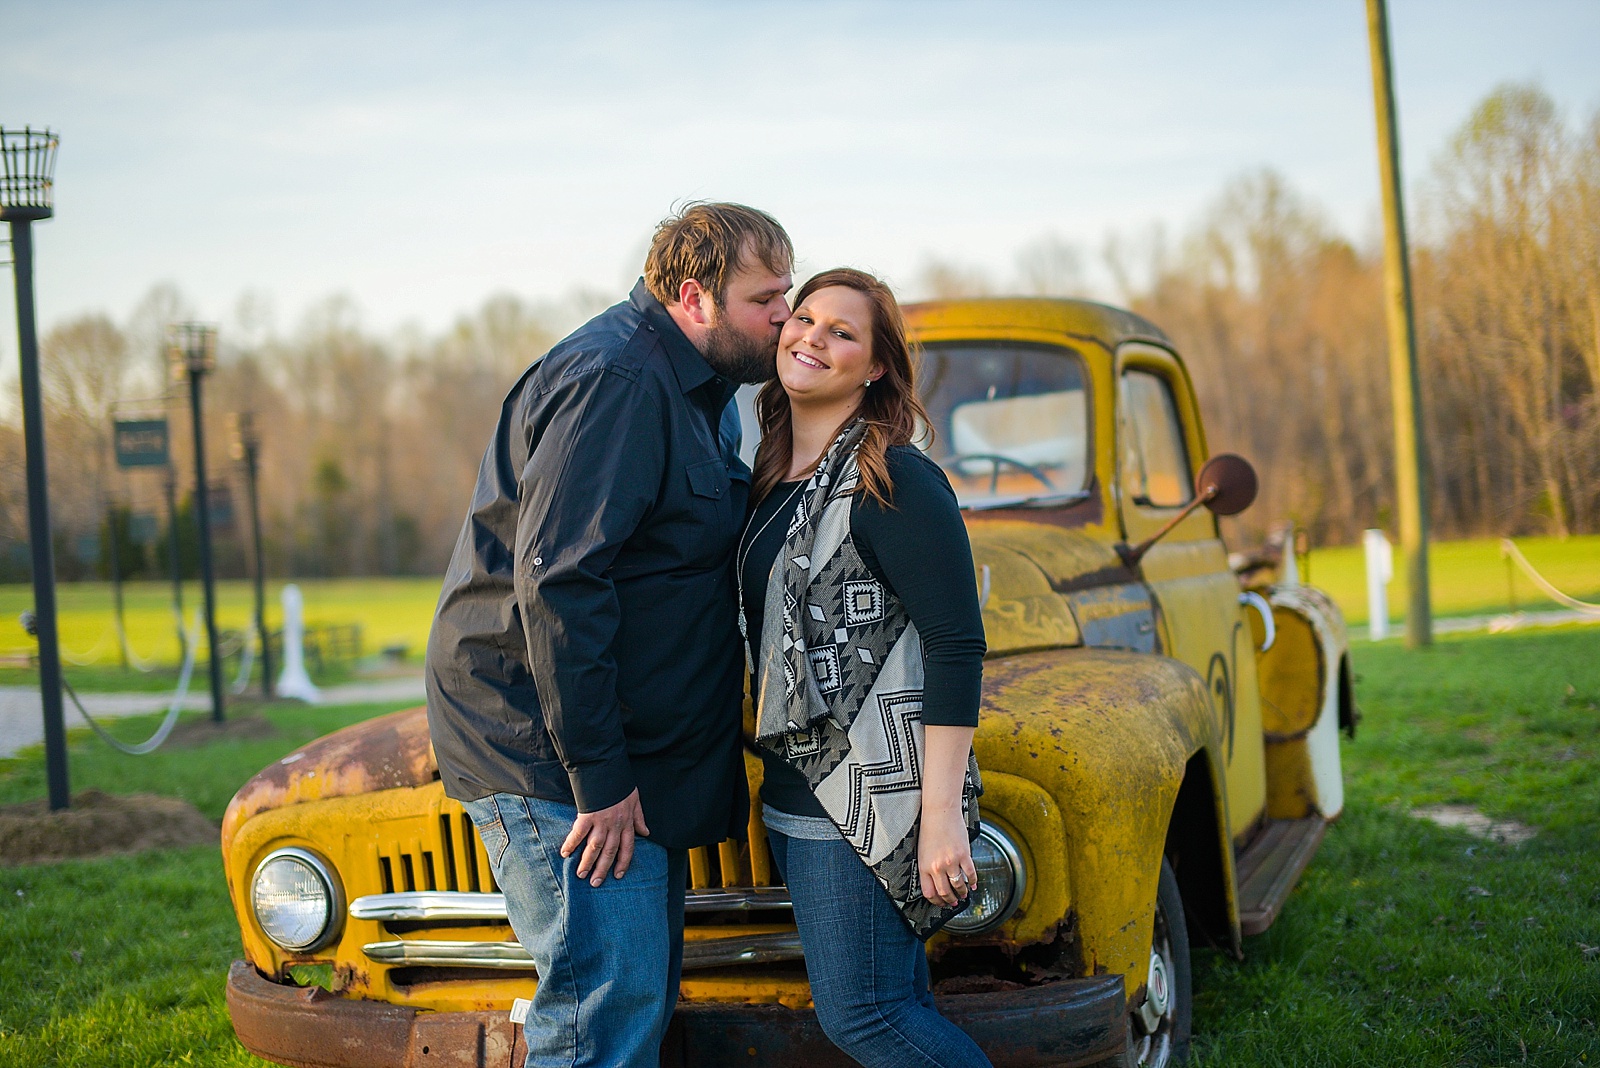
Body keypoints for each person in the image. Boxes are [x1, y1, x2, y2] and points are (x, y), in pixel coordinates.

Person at [425, 202, 793, 1068]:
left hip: (614, 748)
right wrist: (599, 781)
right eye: (765, 298)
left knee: (638, 997)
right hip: (552, 754)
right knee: (602, 1017)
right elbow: (561, 582)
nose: (785, 313)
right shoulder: (620, 382)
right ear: (696, 297)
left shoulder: (704, 395)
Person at [740, 268, 993, 1068]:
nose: (812, 337)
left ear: (877, 365)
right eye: (804, 319)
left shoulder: (895, 479)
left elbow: (957, 643)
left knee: (866, 1018)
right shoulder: (770, 483)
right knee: (900, 1002)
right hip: (794, 793)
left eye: (841, 332)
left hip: (871, 798)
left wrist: (941, 815)